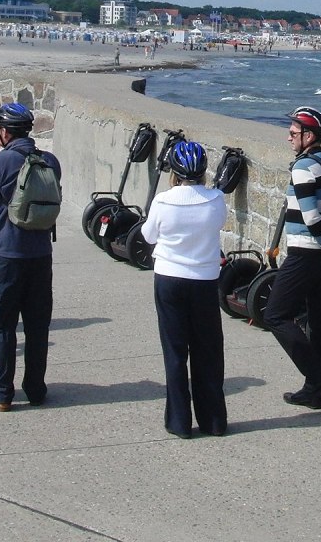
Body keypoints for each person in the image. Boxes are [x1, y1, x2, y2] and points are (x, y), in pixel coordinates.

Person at [0, 103, 61, 412]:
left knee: (0, 324)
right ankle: (36, 388)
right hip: (41, 253)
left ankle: (2, 392)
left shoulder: (3, 160)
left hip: (7, 253)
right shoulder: (50, 161)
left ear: (4, 132)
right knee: (37, 325)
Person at [263, 106, 321, 409]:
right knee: (320, 319)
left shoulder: (303, 167)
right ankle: (315, 392)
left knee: (274, 314)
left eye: (293, 133)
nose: (288, 137)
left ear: (309, 135)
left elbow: (311, 217)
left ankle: (318, 375)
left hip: (306, 251)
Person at [140, 140, 228, 438]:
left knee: (175, 351)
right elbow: (218, 225)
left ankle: (179, 422)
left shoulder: (163, 201)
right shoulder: (216, 199)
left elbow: (148, 235)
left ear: (174, 173)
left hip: (169, 279)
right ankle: (213, 421)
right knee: (208, 351)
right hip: (204, 280)